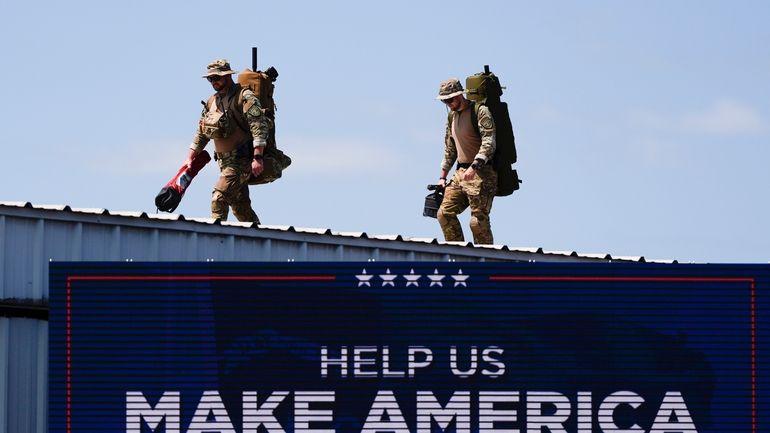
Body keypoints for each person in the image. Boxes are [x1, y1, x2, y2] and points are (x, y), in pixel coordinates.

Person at [183, 59, 270, 223]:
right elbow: (202, 132)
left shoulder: (244, 97)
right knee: (241, 208)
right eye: (210, 79)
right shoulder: (211, 102)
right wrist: (190, 158)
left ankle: (217, 240)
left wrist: (258, 157)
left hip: (241, 161)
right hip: (224, 163)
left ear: (227, 76)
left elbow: (258, 126)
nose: (213, 82)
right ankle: (258, 240)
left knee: (219, 198)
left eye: (217, 77)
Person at [435, 78, 498, 244]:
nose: (448, 103)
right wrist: (442, 176)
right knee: (444, 214)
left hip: (482, 172)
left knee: (477, 222)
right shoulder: (451, 117)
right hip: (461, 173)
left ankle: (486, 260)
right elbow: (450, 149)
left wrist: (475, 166)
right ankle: (458, 253)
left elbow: (489, 142)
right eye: (444, 101)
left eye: (450, 99)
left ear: (460, 95)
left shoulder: (480, 111)